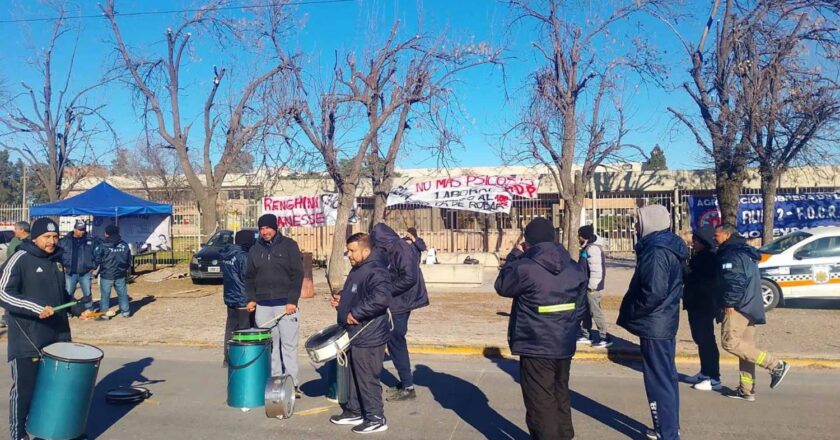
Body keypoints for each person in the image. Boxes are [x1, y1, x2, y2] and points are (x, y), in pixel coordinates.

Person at [494, 217, 587, 440]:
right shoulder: (574, 267)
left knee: (540, 403)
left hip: (536, 343)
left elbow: (502, 285)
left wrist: (515, 256)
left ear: (528, 241)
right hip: (563, 342)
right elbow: (581, 307)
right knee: (559, 393)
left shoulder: (525, 267)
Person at [0, 218, 87, 440]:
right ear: (35, 237)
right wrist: (35, 308)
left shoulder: (56, 261)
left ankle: (57, 432)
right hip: (28, 340)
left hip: (57, 337)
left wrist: (77, 308)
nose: (52, 241)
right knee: (25, 392)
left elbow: (61, 295)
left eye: (55, 237)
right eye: (47, 237)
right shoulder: (20, 258)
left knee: (58, 390)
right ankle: (19, 434)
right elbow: (3, 293)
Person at [617, 205, 688, 440]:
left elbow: (653, 292)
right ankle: (668, 428)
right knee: (666, 377)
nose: (636, 225)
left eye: (638, 220)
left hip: (655, 322)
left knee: (658, 380)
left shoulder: (656, 250)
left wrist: (633, 312)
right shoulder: (666, 245)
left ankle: (667, 433)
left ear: (649, 222)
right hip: (663, 320)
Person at [714, 224, 791, 401]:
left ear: (726, 235)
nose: (714, 238)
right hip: (751, 305)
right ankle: (746, 390)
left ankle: (775, 365)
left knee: (730, 343)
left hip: (738, 307)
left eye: (716, 235)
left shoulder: (731, 253)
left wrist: (729, 302)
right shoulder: (744, 251)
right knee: (746, 349)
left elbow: (734, 279)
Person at [329, 233, 391, 434]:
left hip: (369, 333)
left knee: (366, 377)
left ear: (366, 250)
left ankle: (375, 418)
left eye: (353, 251)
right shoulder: (358, 270)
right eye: (348, 251)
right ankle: (355, 410)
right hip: (354, 333)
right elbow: (357, 294)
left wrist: (355, 312)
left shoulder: (376, 271)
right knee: (353, 375)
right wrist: (341, 303)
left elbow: (381, 299)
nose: (349, 254)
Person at [245, 213, 304, 398]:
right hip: (263, 307)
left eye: (268, 228)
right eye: (261, 229)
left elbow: (298, 274)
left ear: (275, 228)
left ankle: (292, 383)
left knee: (288, 346)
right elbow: (249, 277)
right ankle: (276, 384)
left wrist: (292, 301)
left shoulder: (289, 246)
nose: (265, 232)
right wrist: (251, 298)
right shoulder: (254, 250)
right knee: (271, 347)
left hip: (286, 307)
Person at [370, 223, 429, 402]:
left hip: (401, 303)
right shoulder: (394, 248)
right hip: (399, 301)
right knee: (395, 340)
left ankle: (407, 386)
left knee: (396, 340)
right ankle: (405, 383)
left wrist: (387, 290)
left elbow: (409, 278)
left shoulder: (400, 249)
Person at [682, 225, 722, 391]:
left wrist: (683, 266)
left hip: (704, 304)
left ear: (704, 242)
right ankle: (705, 372)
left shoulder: (709, 258)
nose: (693, 243)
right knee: (700, 339)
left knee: (706, 341)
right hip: (695, 304)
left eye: (696, 240)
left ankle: (714, 377)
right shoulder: (699, 256)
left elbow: (694, 277)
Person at [221, 230, 256, 368]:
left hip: (230, 297)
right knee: (244, 330)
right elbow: (248, 278)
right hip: (243, 298)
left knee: (230, 328)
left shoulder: (226, 255)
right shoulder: (243, 256)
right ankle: (243, 359)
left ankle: (228, 357)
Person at [576, 224, 612, 348]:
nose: (578, 237)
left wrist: (592, 286)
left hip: (592, 287)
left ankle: (604, 337)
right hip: (586, 285)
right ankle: (586, 335)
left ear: (584, 236)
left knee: (595, 311)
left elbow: (596, 270)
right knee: (585, 310)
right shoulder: (587, 247)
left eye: (579, 235)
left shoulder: (592, 249)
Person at [94, 224, 132, 319]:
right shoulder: (124, 245)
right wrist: (124, 269)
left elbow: (97, 258)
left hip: (107, 274)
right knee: (123, 294)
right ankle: (126, 312)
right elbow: (128, 259)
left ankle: (104, 314)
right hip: (120, 274)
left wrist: (96, 268)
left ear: (107, 234)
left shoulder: (103, 245)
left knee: (105, 295)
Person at [59, 219, 98, 312]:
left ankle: (89, 309)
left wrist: (94, 266)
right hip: (70, 272)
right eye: (80, 229)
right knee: (68, 293)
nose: (82, 231)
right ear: (74, 229)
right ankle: (68, 310)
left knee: (87, 293)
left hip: (85, 272)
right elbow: (58, 254)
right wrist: (62, 266)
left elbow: (98, 253)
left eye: (83, 229)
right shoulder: (65, 241)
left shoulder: (91, 240)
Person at [1, 221, 30, 329]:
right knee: (9, 293)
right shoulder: (14, 240)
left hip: (24, 273)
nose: (14, 231)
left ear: (22, 230)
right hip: (12, 272)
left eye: (16, 229)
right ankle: (7, 317)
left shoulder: (31, 241)